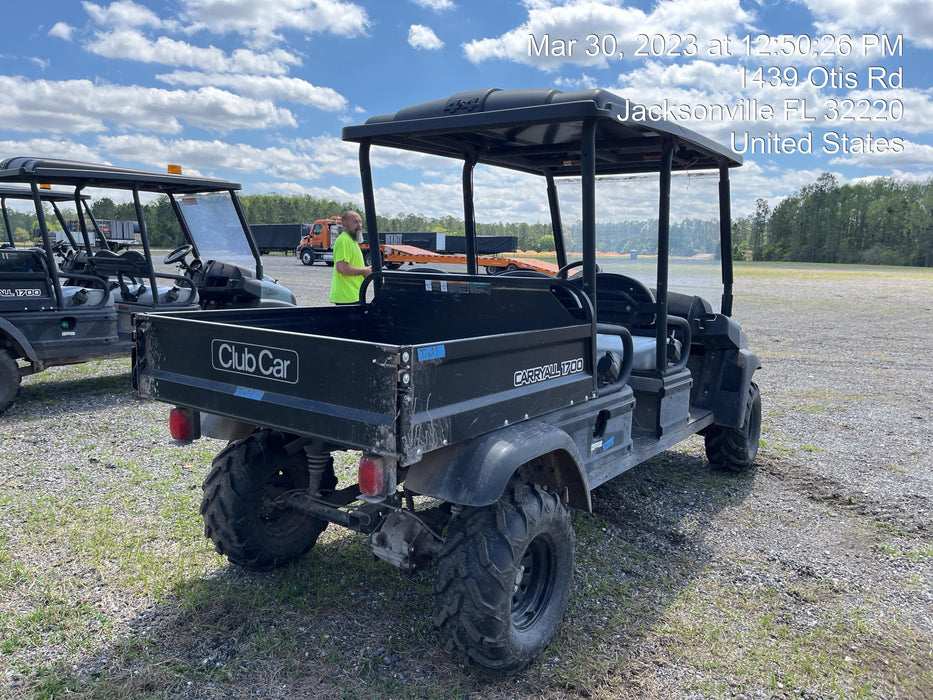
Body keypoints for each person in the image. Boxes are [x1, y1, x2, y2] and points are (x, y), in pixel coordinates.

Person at [328, 210, 372, 304]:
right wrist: (364, 271)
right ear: (344, 224)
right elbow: (342, 268)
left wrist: (365, 271)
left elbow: (353, 265)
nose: (359, 225)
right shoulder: (343, 240)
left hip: (354, 295)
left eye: (360, 221)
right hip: (347, 297)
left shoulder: (353, 241)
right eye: (355, 222)